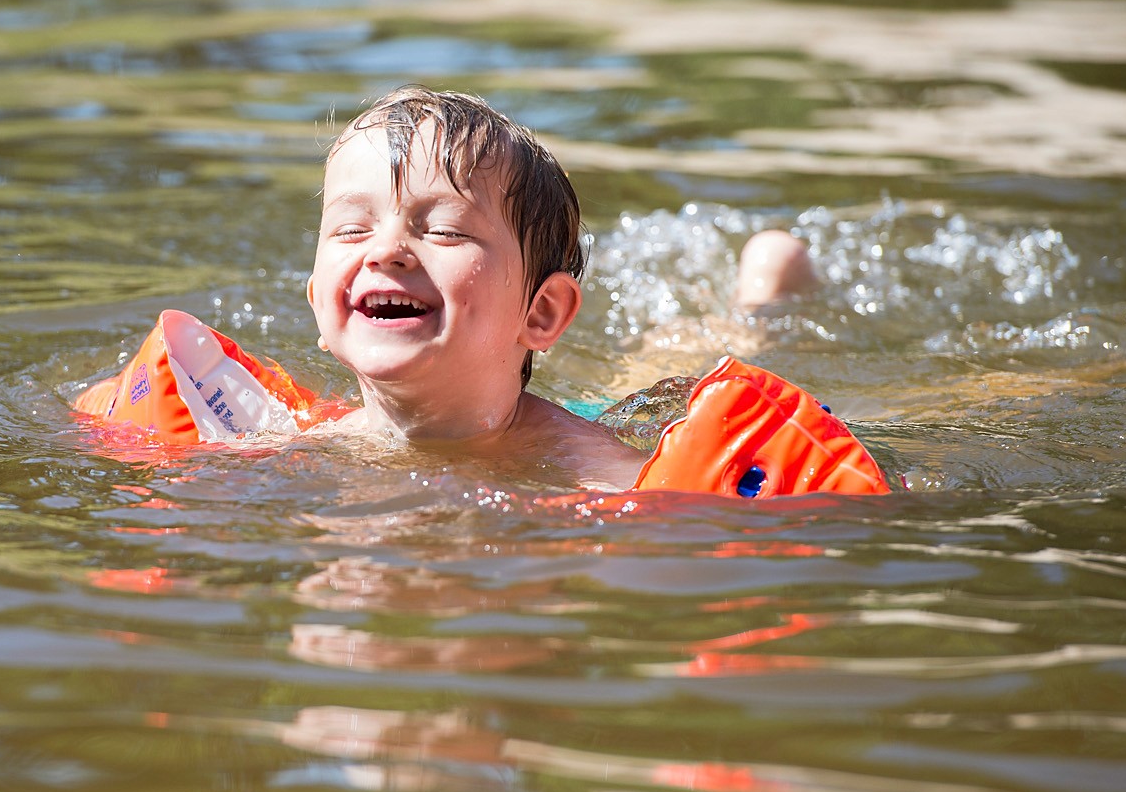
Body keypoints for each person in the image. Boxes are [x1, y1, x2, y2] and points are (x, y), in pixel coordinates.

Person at [75, 85, 886, 497]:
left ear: (542, 313)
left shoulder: (590, 470)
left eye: (444, 229)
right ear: (316, 301)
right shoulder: (301, 445)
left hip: (602, 417)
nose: (387, 249)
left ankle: (763, 298)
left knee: (680, 375)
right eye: (352, 231)